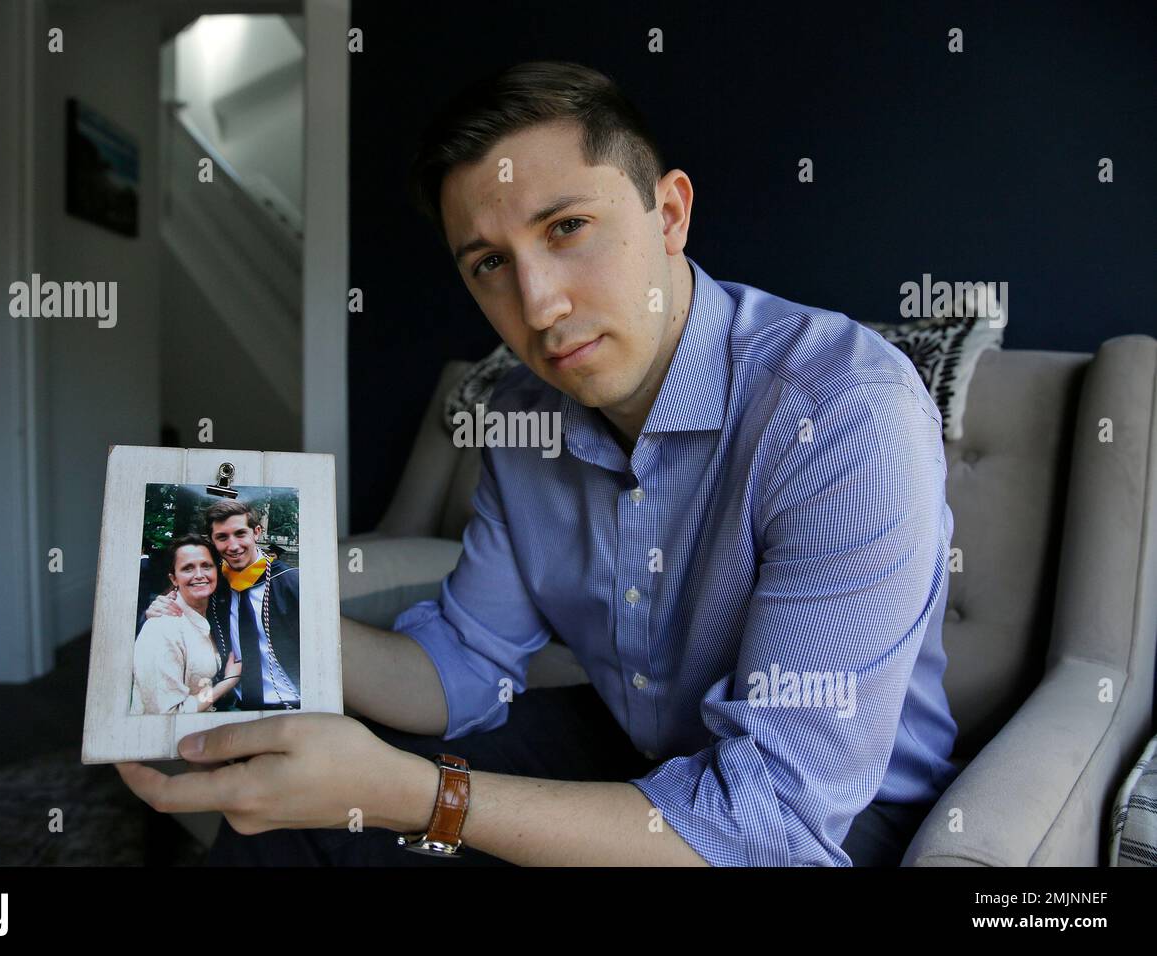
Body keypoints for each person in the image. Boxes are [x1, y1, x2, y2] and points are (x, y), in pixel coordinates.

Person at [119, 60, 960, 866]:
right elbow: (465, 662)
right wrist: (260, 619)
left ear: (669, 214)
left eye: (567, 228)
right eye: (490, 263)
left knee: (396, 791)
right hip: (638, 746)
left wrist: (418, 796)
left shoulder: (842, 412)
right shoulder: (524, 416)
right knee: (294, 825)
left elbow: (769, 826)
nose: (539, 306)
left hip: (844, 819)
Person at [144, 500, 302, 711]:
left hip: (291, 702)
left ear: (256, 532)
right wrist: (152, 611)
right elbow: (173, 609)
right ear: (212, 540)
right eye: (222, 537)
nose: (233, 546)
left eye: (240, 534)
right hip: (233, 704)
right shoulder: (213, 584)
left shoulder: (291, 582)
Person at [130, 534, 241, 714]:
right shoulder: (162, 629)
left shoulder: (215, 614)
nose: (199, 575)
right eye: (188, 568)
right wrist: (227, 683)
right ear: (174, 578)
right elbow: (170, 713)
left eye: (206, 566)